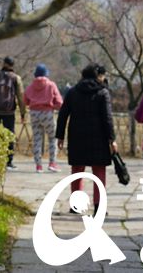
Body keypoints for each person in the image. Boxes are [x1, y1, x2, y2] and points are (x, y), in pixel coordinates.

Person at [56, 64, 116, 212]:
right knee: (99, 171)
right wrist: (111, 139)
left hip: (77, 136)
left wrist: (60, 136)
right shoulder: (103, 92)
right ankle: (98, 205)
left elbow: (63, 114)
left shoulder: (72, 92)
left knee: (77, 170)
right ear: (98, 76)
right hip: (99, 137)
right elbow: (108, 118)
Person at [24, 63, 64, 173]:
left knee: (37, 139)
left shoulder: (30, 86)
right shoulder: (51, 85)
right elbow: (59, 102)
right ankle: (52, 163)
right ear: (46, 74)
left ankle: (38, 166)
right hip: (47, 113)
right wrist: (53, 106)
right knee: (52, 138)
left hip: (34, 113)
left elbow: (25, 100)